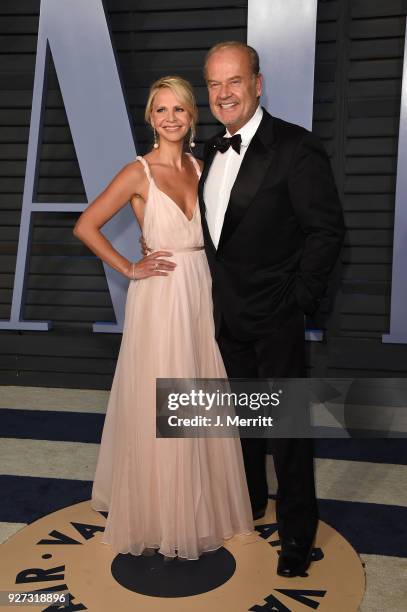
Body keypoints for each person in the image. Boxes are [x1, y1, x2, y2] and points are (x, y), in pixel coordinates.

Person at [73, 75, 253, 561]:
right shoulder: (138, 172)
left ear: (191, 117)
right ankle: (161, 512)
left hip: (200, 291)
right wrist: (131, 267)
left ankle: (202, 504)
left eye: (179, 110)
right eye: (161, 110)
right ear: (150, 118)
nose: (170, 118)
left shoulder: (203, 166)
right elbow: (85, 226)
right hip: (160, 296)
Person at [199, 41, 345, 577]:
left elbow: (325, 231)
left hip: (277, 316)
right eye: (214, 84)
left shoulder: (295, 148)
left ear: (257, 83)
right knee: (245, 423)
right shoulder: (211, 151)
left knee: (287, 433)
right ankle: (252, 505)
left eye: (233, 80)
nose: (223, 93)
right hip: (227, 316)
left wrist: (298, 303)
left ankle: (297, 537)